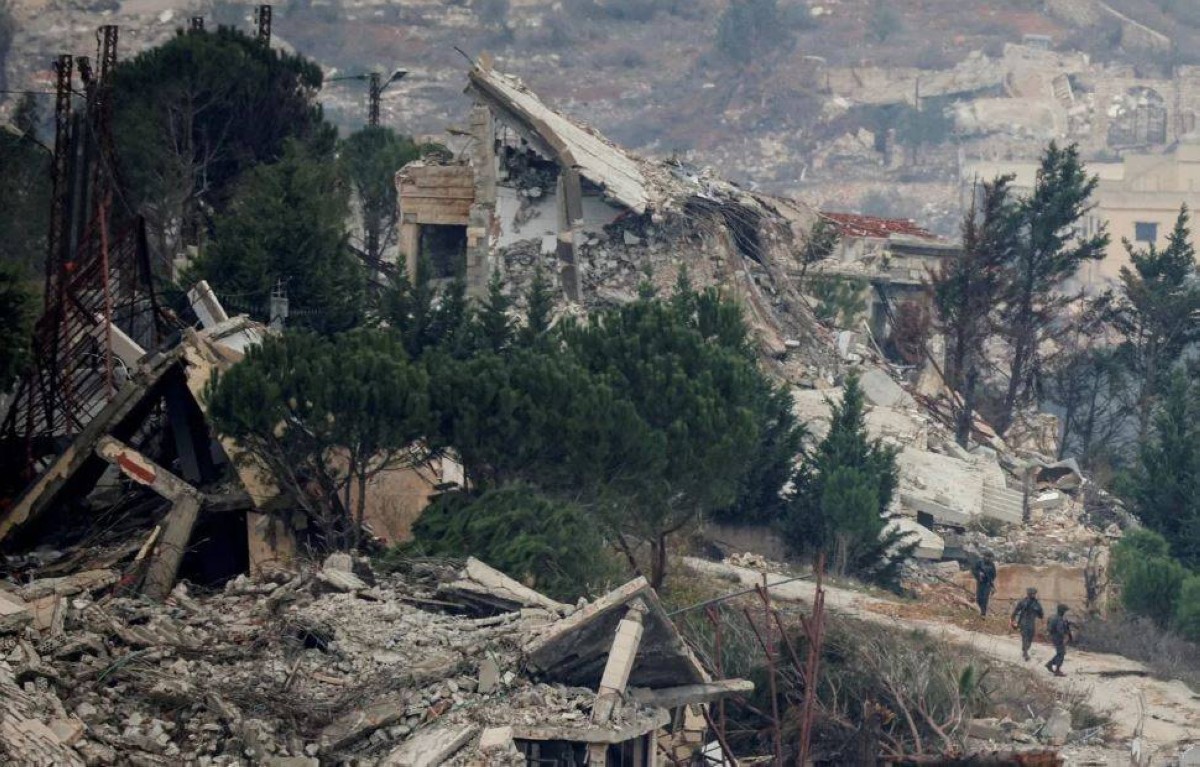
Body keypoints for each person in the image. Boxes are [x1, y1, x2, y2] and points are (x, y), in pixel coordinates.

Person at [1011, 587, 1044, 661]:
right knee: (1025, 637)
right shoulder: (1023, 602)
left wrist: (1039, 613)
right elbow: (1016, 611)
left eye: (1034, 593)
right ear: (1028, 594)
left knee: (1030, 637)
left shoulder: (1037, 604)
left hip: (1031, 623)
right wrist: (1013, 620)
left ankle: (1025, 649)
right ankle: (1025, 653)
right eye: (1031, 593)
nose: (1033, 595)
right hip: (1023, 622)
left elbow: (1041, 615)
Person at [1046, 604, 1073, 677]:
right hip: (1058, 638)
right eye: (1065, 611)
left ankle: (1050, 664)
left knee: (1060, 653)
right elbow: (1060, 630)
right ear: (1062, 611)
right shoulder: (1059, 619)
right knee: (1061, 654)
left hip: (1054, 637)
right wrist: (1065, 636)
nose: (1065, 613)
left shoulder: (1055, 617)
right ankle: (1057, 670)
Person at [971, 552, 997, 616]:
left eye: (991, 558)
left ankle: (983, 614)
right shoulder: (979, 562)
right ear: (985, 556)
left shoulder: (992, 565)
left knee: (985, 599)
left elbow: (994, 575)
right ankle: (978, 611)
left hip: (987, 584)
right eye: (988, 557)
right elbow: (973, 570)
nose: (990, 559)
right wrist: (979, 573)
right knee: (979, 598)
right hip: (980, 583)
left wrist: (991, 583)